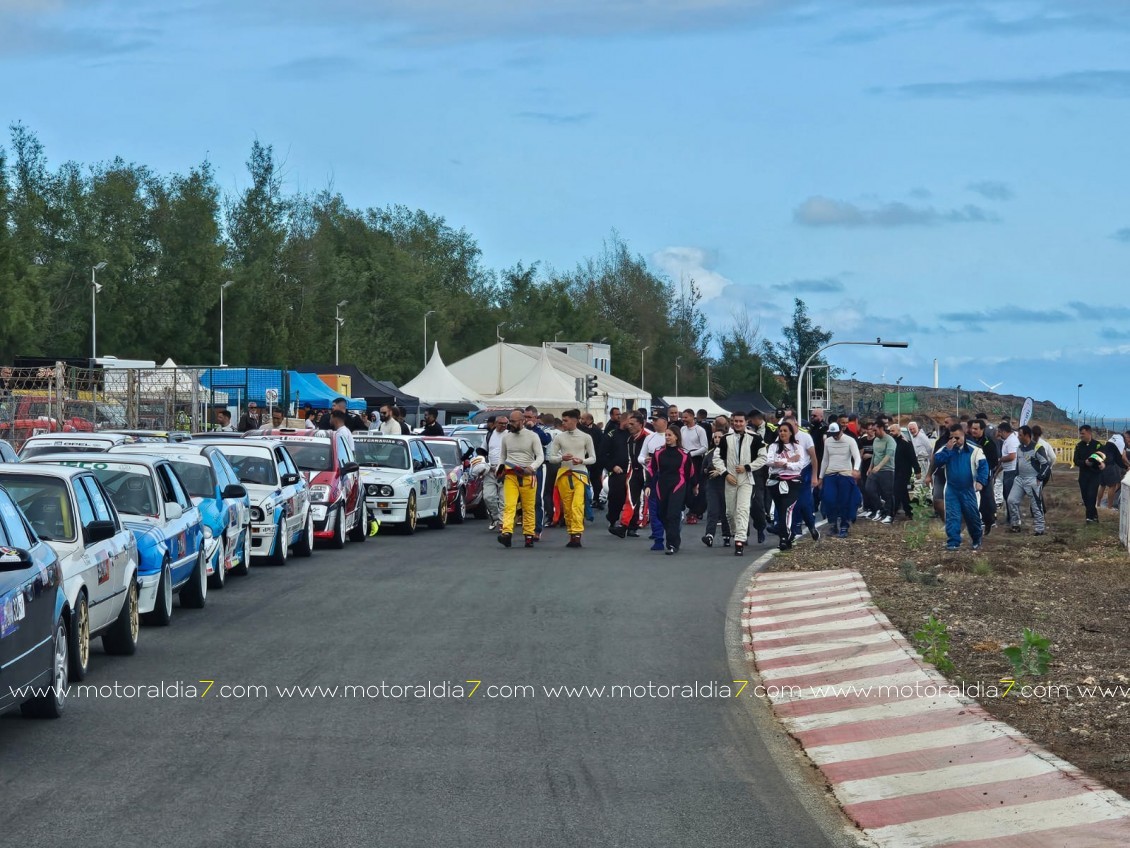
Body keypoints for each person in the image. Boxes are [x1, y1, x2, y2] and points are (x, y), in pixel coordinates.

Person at [712, 411, 766, 556]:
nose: (738, 424)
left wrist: (748, 467)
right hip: (730, 479)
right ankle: (736, 532)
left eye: (741, 421)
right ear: (731, 422)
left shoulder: (755, 438)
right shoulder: (725, 439)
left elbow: (763, 458)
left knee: (743, 509)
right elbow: (716, 459)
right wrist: (725, 473)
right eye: (735, 421)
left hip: (746, 479)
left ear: (746, 422)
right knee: (730, 512)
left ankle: (739, 541)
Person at [933, 425, 989, 551]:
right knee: (952, 515)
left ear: (963, 435)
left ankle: (976, 538)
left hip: (969, 489)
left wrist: (980, 481)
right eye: (951, 437)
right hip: (952, 489)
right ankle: (953, 542)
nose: (954, 440)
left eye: (957, 437)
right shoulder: (946, 448)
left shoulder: (975, 450)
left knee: (971, 515)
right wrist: (948, 450)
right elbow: (937, 461)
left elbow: (984, 467)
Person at [546, 409, 597, 548]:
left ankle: (577, 534)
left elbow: (593, 458)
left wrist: (582, 461)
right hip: (564, 475)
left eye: (566, 420)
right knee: (567, 508)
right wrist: (562, 458)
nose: (563, 423)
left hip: (580, 475)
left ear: (575, 420)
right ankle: (571, 534)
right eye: (563, 420)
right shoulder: (559, 437)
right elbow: (551, 458)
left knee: (577, 506)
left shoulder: (586, 437)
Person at [646, 428, 698, 554]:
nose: (667, 437)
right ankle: (675, 536)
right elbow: (651, 470)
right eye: (666, 435)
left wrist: (695, 486)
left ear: (676, 437)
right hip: (661, 486)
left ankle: (671, 544)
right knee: (662, 514)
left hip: (678, 485)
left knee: (672, 514)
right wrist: (648, 485)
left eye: (670, 435)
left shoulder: (684, 453)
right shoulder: (658, 452)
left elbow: (690, 472)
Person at [498, 409, 545, 548]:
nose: (510, 424)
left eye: (513, 421)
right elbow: (502, 456)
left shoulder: (532, 436)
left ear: (522, 421)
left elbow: (540, 456)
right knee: (509, 505)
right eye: (509, 421)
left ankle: (529, 535)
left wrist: (532, 467)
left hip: (527, 475)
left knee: (528, 507)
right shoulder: (506, 437)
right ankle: (506, 533)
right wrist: (500, 468)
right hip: (510, 475)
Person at [766, 422, 806, 551]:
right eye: (780, 431)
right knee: (780, 509)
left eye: (785, 430)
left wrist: (785, 464)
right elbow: (769, 462)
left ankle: (784, 536)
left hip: (792, 482)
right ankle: (786, 536)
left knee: (787, 508)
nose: (782, 433)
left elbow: (800, 464)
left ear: (790, 433)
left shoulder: (797, 447)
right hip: (775, 482)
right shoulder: (774, 446)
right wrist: (788, 460)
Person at [606, 411, 647, 537]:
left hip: (644, 472)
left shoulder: (647, 436)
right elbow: (604, 454)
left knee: (641, 500)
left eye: (632, 424)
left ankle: (635, 525)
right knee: (625, 499)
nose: (629, 426)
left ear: (641, 424)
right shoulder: (616, 436)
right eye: (628, 423)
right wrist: (612, 467)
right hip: (625, 472)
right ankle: (619, 523)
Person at [1007, 425, 1051, 535]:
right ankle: (1015, 524)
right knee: (1011, 500)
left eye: (1020, 435)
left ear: (1027, 435)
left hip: (1032, 480)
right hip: (1020, 479)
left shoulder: (1037, 448)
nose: (1018, 437)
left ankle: (1040, 529)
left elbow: (1046, 464)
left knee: (1036, 505)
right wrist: (1016, 475)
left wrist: (1040, 477)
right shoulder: (1019, 448)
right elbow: (1018, 463)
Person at [819, 422, 861, 537]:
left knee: (844, 501)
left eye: (837, 433)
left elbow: (857, 457)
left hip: (845, 474)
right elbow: (825, 460)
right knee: (829, 499)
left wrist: (855, 469)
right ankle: (832, 524)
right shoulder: (828, 441)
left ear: (841, 430)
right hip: (831, 474)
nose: (835, 436)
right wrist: (820, 477)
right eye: (833, 434)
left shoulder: (850, 440)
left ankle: (844, 525)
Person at [701, 416, 733, 548]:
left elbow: (733, 467)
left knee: (726, 512)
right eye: (715, 437)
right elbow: (703, 468)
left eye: (720, 437)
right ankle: (709, 535)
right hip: (712, 486)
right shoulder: (709, 453)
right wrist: (705, 471)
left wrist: (720, 471)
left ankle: (727, 535)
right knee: (713, 511)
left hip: (726, 485)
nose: (717, 440)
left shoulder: (730, 453)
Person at [639, 413, 669, 542]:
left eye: (656, 420)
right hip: (652, 475)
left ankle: (669, 531)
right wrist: (645, 460)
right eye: (653, 420)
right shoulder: (649, 437)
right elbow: (640, 456)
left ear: (664, 421)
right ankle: (657, 533)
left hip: (668, 476)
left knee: (667, 505)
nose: (654, 423)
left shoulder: (672, 436)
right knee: (653, 505)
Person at [966, 419, 1000, 533]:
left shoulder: (988, 443)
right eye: (972, 428)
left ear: (982, 429)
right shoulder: (968, 441)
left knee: (986, 499)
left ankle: (989, 520)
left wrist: (983, 469)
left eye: (976, 429)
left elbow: (994, 461)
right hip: (970, 475)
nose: (973, 431)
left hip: (985, 476)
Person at [863, 421, 896, 523]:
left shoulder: (890, 440)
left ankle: (890, 515)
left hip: (887, 470)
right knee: (869, 489)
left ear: (881, 429)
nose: (874, 432)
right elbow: (874, 455)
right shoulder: (876, 440)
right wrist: (870, 467)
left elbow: (888, 455)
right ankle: (880, 509)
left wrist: (879, 466)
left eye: (875, 430)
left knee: (887, 493)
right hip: (875, 470)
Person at [679, 409, 709, 523]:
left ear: (692, 417)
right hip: (684, 460)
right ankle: (684, 508)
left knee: (694, 484)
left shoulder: (700, 430)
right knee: (684, 484)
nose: (683, 419)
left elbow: (704, 447)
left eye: (686, 417)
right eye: (683, 417)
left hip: (695, 460)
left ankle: (694, 511)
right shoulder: (682, 429)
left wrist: (691, 453)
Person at [480, 415, 509, 530]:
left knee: (503, 499)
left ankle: (502, 523)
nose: (504, 425)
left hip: (505, 471)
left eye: (506, 423)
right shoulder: (489, 435)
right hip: (490, 470)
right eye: (501, 423)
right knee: (488, 497)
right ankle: (495, 517)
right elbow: (483, 451)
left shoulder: (509, 435)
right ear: (495, 423)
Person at [889, 423, 920, 519]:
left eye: (893, 431)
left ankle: (893, 512)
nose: (891, 433)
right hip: (895, 470)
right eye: (890, 431)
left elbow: (912, 457)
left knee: (897, 490)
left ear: (898, 431)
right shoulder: (892, 441)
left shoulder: (906, 442)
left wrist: (917, 470)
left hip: (904, 471)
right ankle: (908, 511)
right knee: (902, 491)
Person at [1073, 425, 1103, 522]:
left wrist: (1101, 463)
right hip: (1083, 476)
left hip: (1094, 475)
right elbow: (1076, 460)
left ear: (1089, 433)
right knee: (1085, 497)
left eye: (1083, 433)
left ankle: (1089, 517)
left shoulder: (1097, 445)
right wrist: (1084, 463)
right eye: (1080, 433)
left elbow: (1103, 456)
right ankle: (1094, 516)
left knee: (1091, 495)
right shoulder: (1079, 446)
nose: (1081, 436)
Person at [1100, 433, 1128, 509]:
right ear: (1127, 437)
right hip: (1110, 464)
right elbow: (1122, 458)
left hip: (1103, 462)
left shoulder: (1114, 438)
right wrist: (1127, 466)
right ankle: (1109, 507)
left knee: (1102, 485)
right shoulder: (1121, 443)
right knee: (1112, 486)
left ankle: (1098, 504)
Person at [998, 422, 1019, 504]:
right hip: (1007, 470)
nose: (999, 434)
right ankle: (1010, 515)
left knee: (1009, 495)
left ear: (1003, 431)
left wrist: (1000, 459)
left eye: (1000, 432)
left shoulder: (1012, 440)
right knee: (1006, 494)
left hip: (1012, 471)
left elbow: (1012, 456)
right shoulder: (1008, 440)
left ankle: (1012, 516)